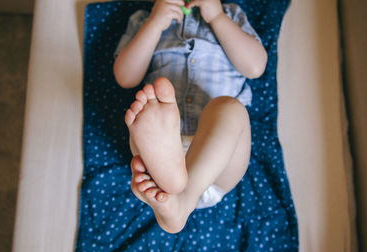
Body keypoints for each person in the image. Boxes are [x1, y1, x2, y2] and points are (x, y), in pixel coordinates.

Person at [113, 0, 267, 233]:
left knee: (230, 109)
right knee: (143, 113)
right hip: (163, 149)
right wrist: (155, 22)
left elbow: (255, 66)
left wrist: (216, 17)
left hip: (218, 162)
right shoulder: (143, 19)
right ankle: (172, 186)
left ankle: (184, 197)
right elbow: (125, 77)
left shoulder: (231, 15)